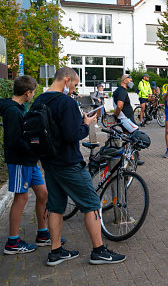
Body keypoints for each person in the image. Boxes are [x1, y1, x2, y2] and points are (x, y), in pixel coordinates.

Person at [36, 67, 125, 266]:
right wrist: (86, 125)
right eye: (75, 84)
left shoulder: (40, 99)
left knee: (56, 206)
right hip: (68, 162)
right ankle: (99, 251)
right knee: (91, 204)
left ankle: (56, 251)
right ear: (67, 80)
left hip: (49, 162)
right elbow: (71, 134)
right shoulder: (65, 101)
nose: (74, 89)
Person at [0, 76, 53, 254]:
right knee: (21, 198)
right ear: (27, 93)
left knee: (43, 193)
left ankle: (43, 234)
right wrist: (33, 150)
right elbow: (15, 141)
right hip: (20, 160)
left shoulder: (18, 108)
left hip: (29, 161)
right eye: (33, 92)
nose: (33, 96)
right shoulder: (13, 112)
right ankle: (12, 243)